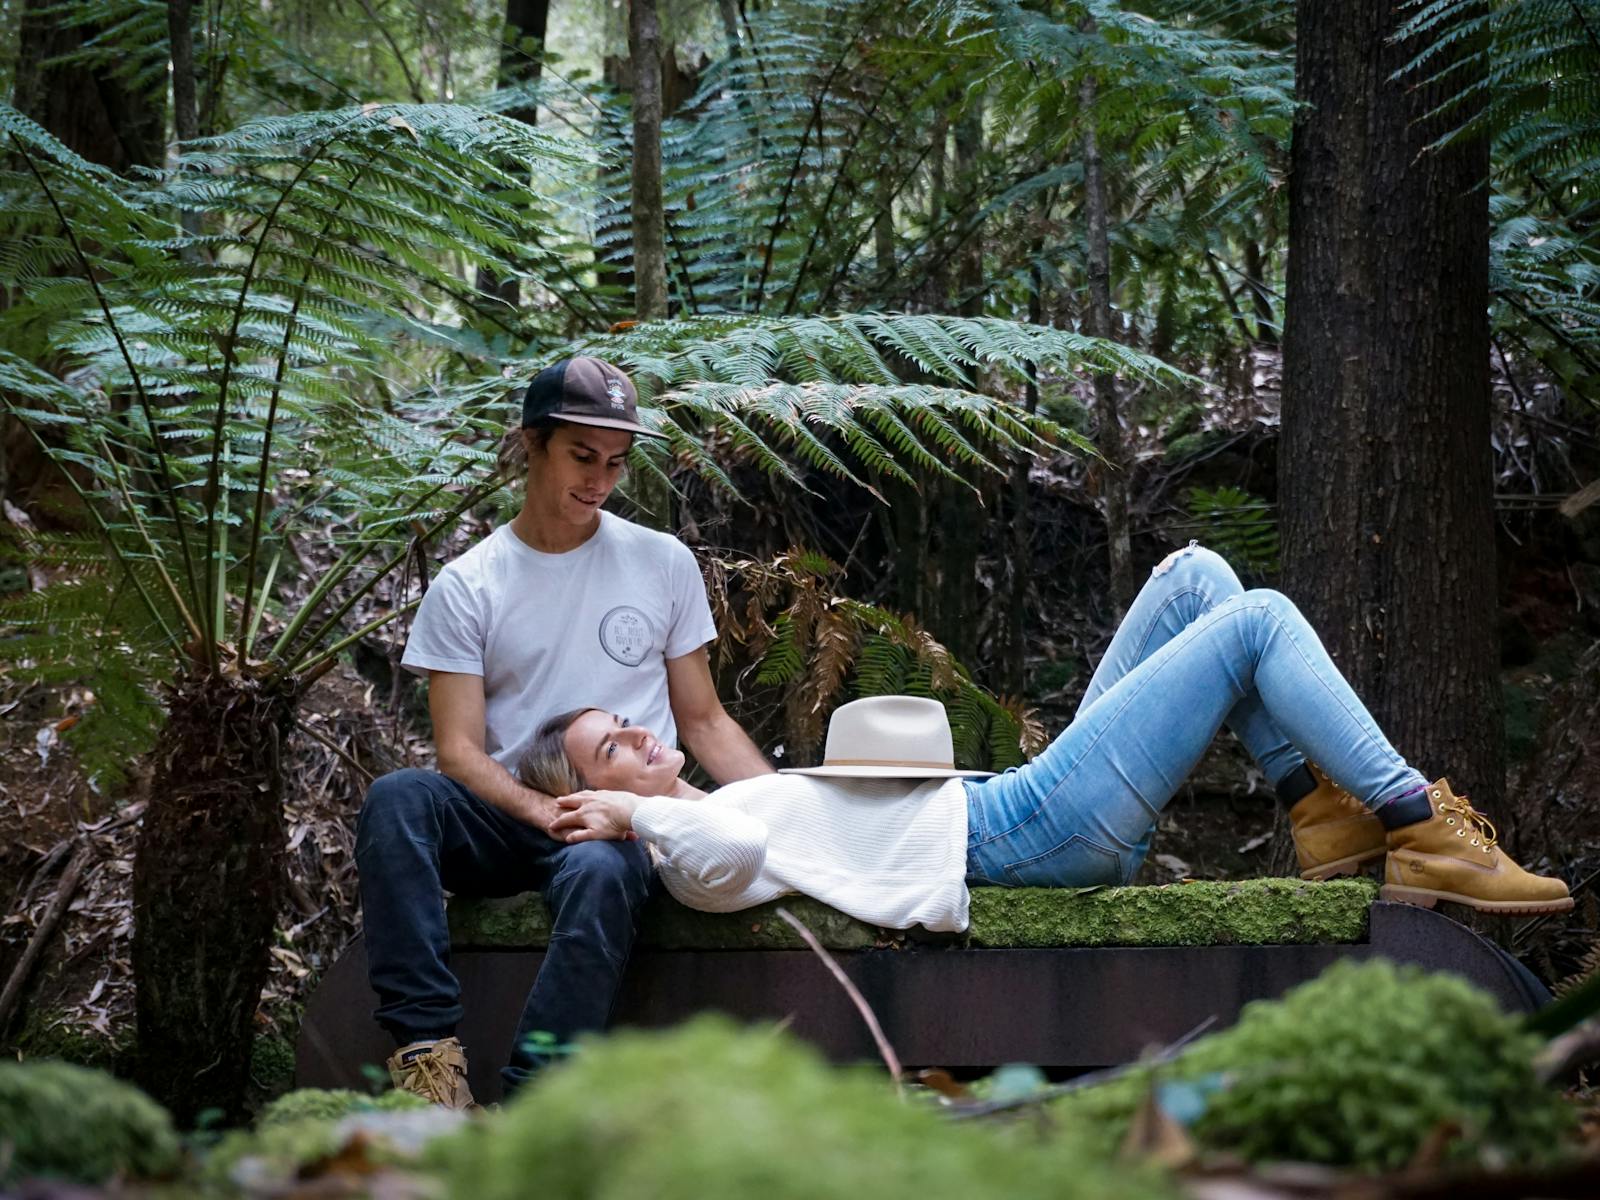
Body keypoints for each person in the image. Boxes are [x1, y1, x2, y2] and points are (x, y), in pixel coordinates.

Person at [527, 544, 1571, 932]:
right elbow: (735, 856)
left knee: (1197, 580)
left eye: (621, 722)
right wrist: (632, 818)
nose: (633, 731)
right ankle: (1411, 821)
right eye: (607, 749)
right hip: (1023, 835)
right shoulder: (687, 859)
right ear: (595, 804)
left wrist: (647, 797)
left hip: (1018, 802)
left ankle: (1323, 820)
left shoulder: (714, 806)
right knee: (1257, 623)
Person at [355, 356, 773, 1108]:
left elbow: (704, 721)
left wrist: (787, 815)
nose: (600, 480)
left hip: (616, 821)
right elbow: (458, 752)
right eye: (582, 456)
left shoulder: (661, 562)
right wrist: (544, 812)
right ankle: (428, 1061)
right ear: (531, 444)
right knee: (398, 798)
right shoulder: (470, 585)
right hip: (509, 812)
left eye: (616, 463)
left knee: (606, 872)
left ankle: (531, 1104)